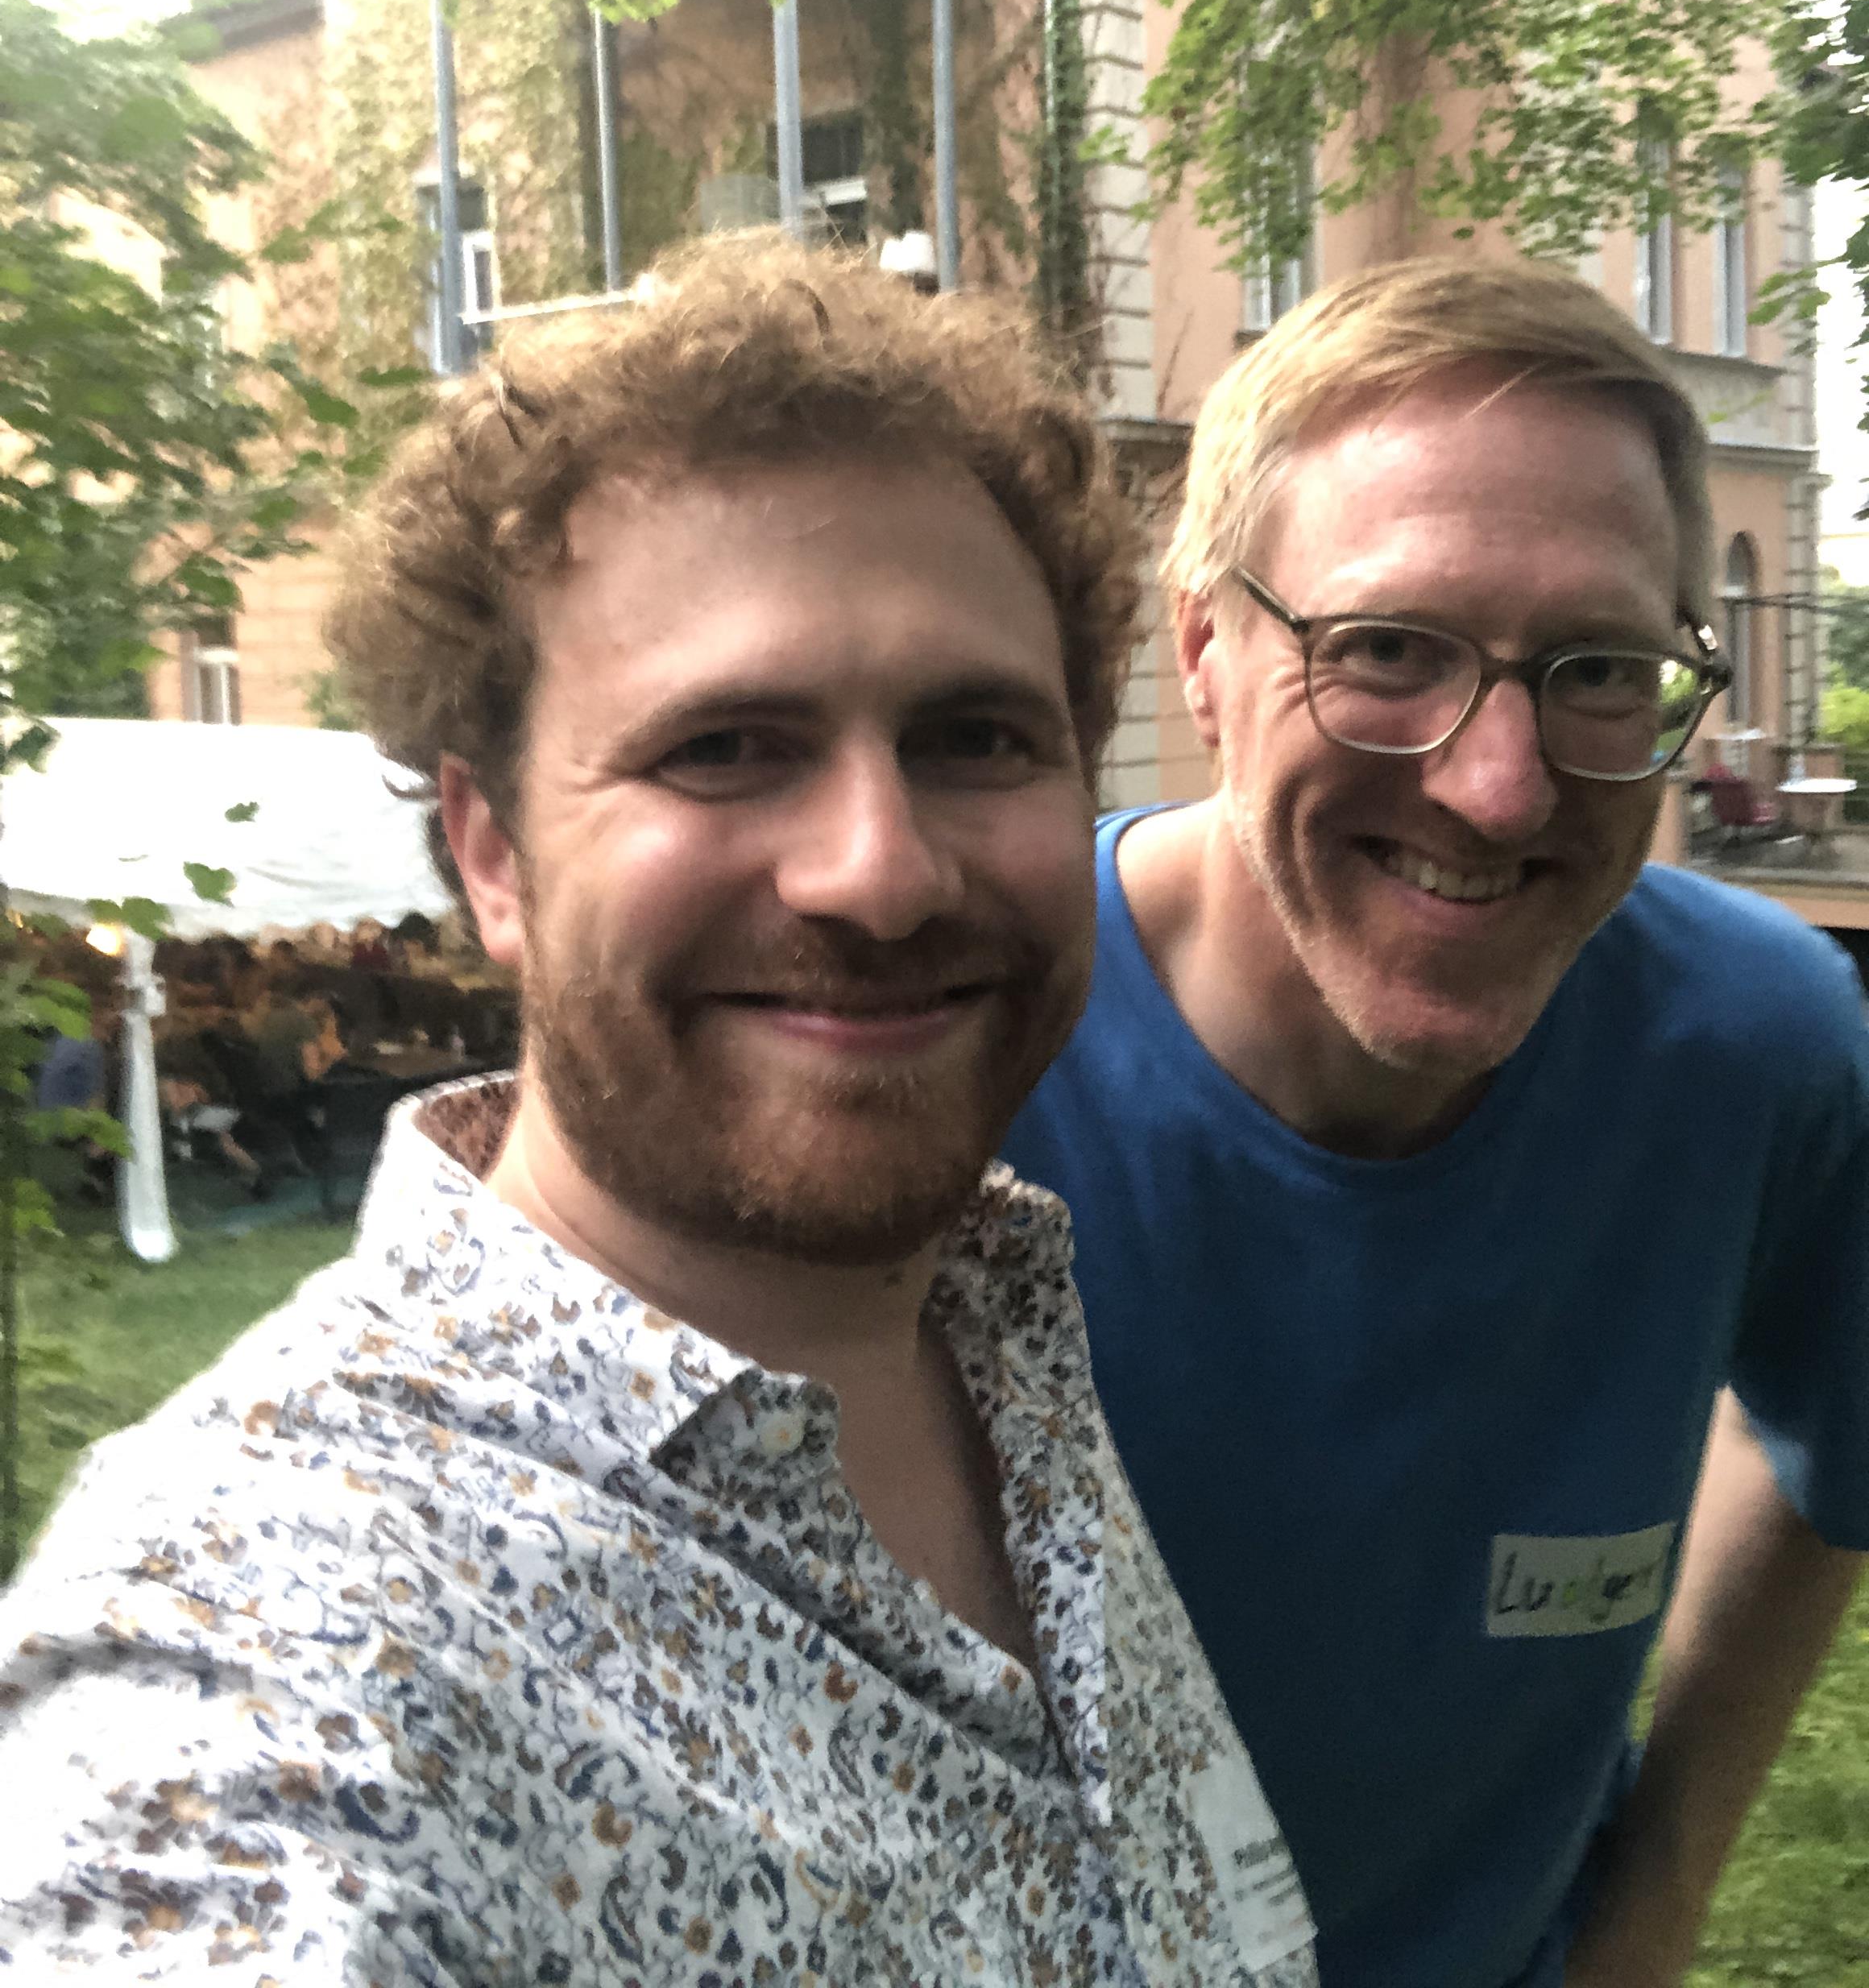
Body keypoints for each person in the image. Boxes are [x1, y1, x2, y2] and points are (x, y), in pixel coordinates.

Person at [0, 236, 1318, 1988]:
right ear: (491, 852)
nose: (878, 872)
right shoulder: (256, 1658)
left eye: (974, 738)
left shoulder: (992, 1326)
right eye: (721, 747)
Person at [1003, 257, 1869, 1988]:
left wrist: (1653, 1898)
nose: (1496, 785)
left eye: (1598, 666)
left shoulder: (1754, 1055)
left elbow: (1830, 1445)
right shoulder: (970, 1056)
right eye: (1386, 649)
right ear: (1205, 653)